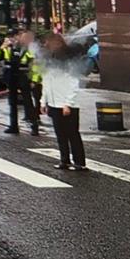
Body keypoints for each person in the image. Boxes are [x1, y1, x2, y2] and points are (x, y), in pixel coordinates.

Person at [39, 33, 87, 171]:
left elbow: (74, 82)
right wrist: (44, 102)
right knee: (60, 134)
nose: (46, 45)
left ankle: (79, 162)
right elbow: (46, 82)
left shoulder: (69, 59)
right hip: (54, 103)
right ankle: (64, 160)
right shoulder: (49, 59)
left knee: (72, 134)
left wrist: (68, 103)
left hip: (67, 105)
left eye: (49, 42)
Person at [0, 29, 37, 135]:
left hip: (23, 76)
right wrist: (2, 47)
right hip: (11, 77)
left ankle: (34, 126)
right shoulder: (7, 48)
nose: (12, 38)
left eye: (14, 36)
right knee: (12, 102)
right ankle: (13, 126)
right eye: (9, 36)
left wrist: (34, 80)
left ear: (19, 36)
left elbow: (35, 64)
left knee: (28, 102)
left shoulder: (26, 47)